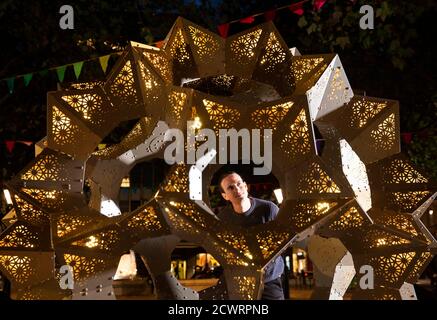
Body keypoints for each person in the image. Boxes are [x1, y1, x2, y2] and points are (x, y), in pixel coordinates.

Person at [217, 171, 285, 300]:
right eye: (230, 187)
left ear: (246, 186)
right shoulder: (223, 219)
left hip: (269, 280)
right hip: (241, 280)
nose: (237, 189)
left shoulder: (269, 209)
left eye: (239, 184)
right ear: (225, 196)